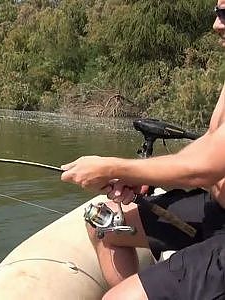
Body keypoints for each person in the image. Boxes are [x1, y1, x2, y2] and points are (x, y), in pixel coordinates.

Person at [61, 2, 225, 299]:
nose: (216, 24)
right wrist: (154, 177)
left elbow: (207, 165)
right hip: (213, 208)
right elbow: (212, 141)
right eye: (216, 12)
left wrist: (113, 168)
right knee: (104, 225)